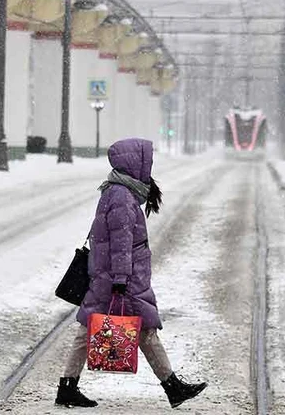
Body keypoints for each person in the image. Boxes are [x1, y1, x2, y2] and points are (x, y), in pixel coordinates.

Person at [56, 138, 207, 409]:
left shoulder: (116, 191)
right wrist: (121, 279)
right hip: (121, 277)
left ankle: (67, 386)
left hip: (110, 275)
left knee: (92, 328)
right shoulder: (123, 197)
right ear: (135, 164)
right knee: (145, 329)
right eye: (147, 162)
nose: (149, 168)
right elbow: (121, 242)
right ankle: (172, 386)